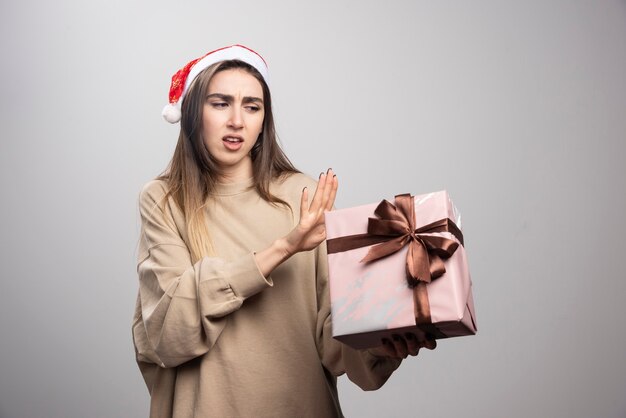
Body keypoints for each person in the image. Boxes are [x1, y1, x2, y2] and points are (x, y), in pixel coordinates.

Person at [132, 44, 434, 418]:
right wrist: (286, 247)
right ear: (194, 112)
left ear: (264, 120)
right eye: (220, 103)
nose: (237, 121)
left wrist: (382, 341)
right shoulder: (164, 200)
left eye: (252, 106)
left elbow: (335, 338)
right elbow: (169, 333)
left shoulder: (303, 196)